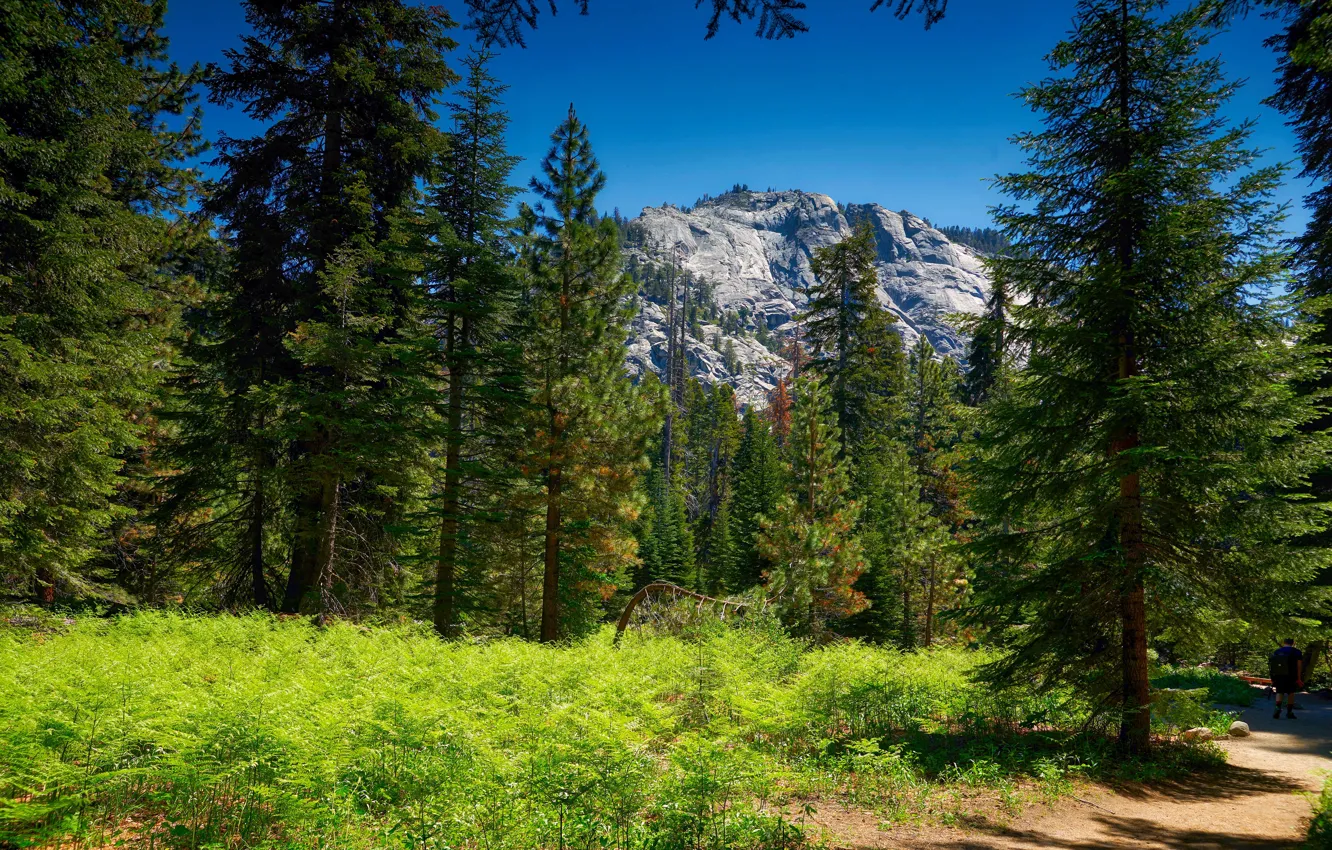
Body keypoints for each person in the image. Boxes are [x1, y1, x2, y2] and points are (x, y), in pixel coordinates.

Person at [1269, 639, 1304, 719]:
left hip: (1279, 675)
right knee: (1291, 693)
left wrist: (1273, 677)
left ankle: (1277, 708)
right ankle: (1289, 712)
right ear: (1293, 643)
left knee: (1279, 691)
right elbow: (1299, 666)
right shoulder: (1297, 652)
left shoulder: (1277, 651)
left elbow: (1273, 665)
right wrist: (1299, 678)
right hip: (1291, 675)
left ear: (1284, 643)